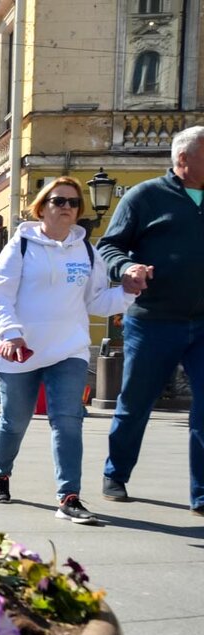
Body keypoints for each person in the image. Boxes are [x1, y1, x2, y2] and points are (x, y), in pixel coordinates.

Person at [0, 176, 139, 524]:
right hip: (19, 350)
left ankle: (69, 496)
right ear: (42, 207)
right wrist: (10, 334)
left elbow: (98, 301)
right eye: (59, 201)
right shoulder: (20, 246)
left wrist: (129, 291)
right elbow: (0, 296)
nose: (67, 207)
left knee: (68, 422)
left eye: (73, 203)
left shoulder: (87, 251)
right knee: (15, 422)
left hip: (69, 349)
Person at [98, 126, 203, 516]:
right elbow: (109, 245)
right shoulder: (146, 196)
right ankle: (116, 473)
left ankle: (203, 493)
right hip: (154, 319)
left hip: (203, 322)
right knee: (135, 403)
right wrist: (127, 267)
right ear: (183, 160)